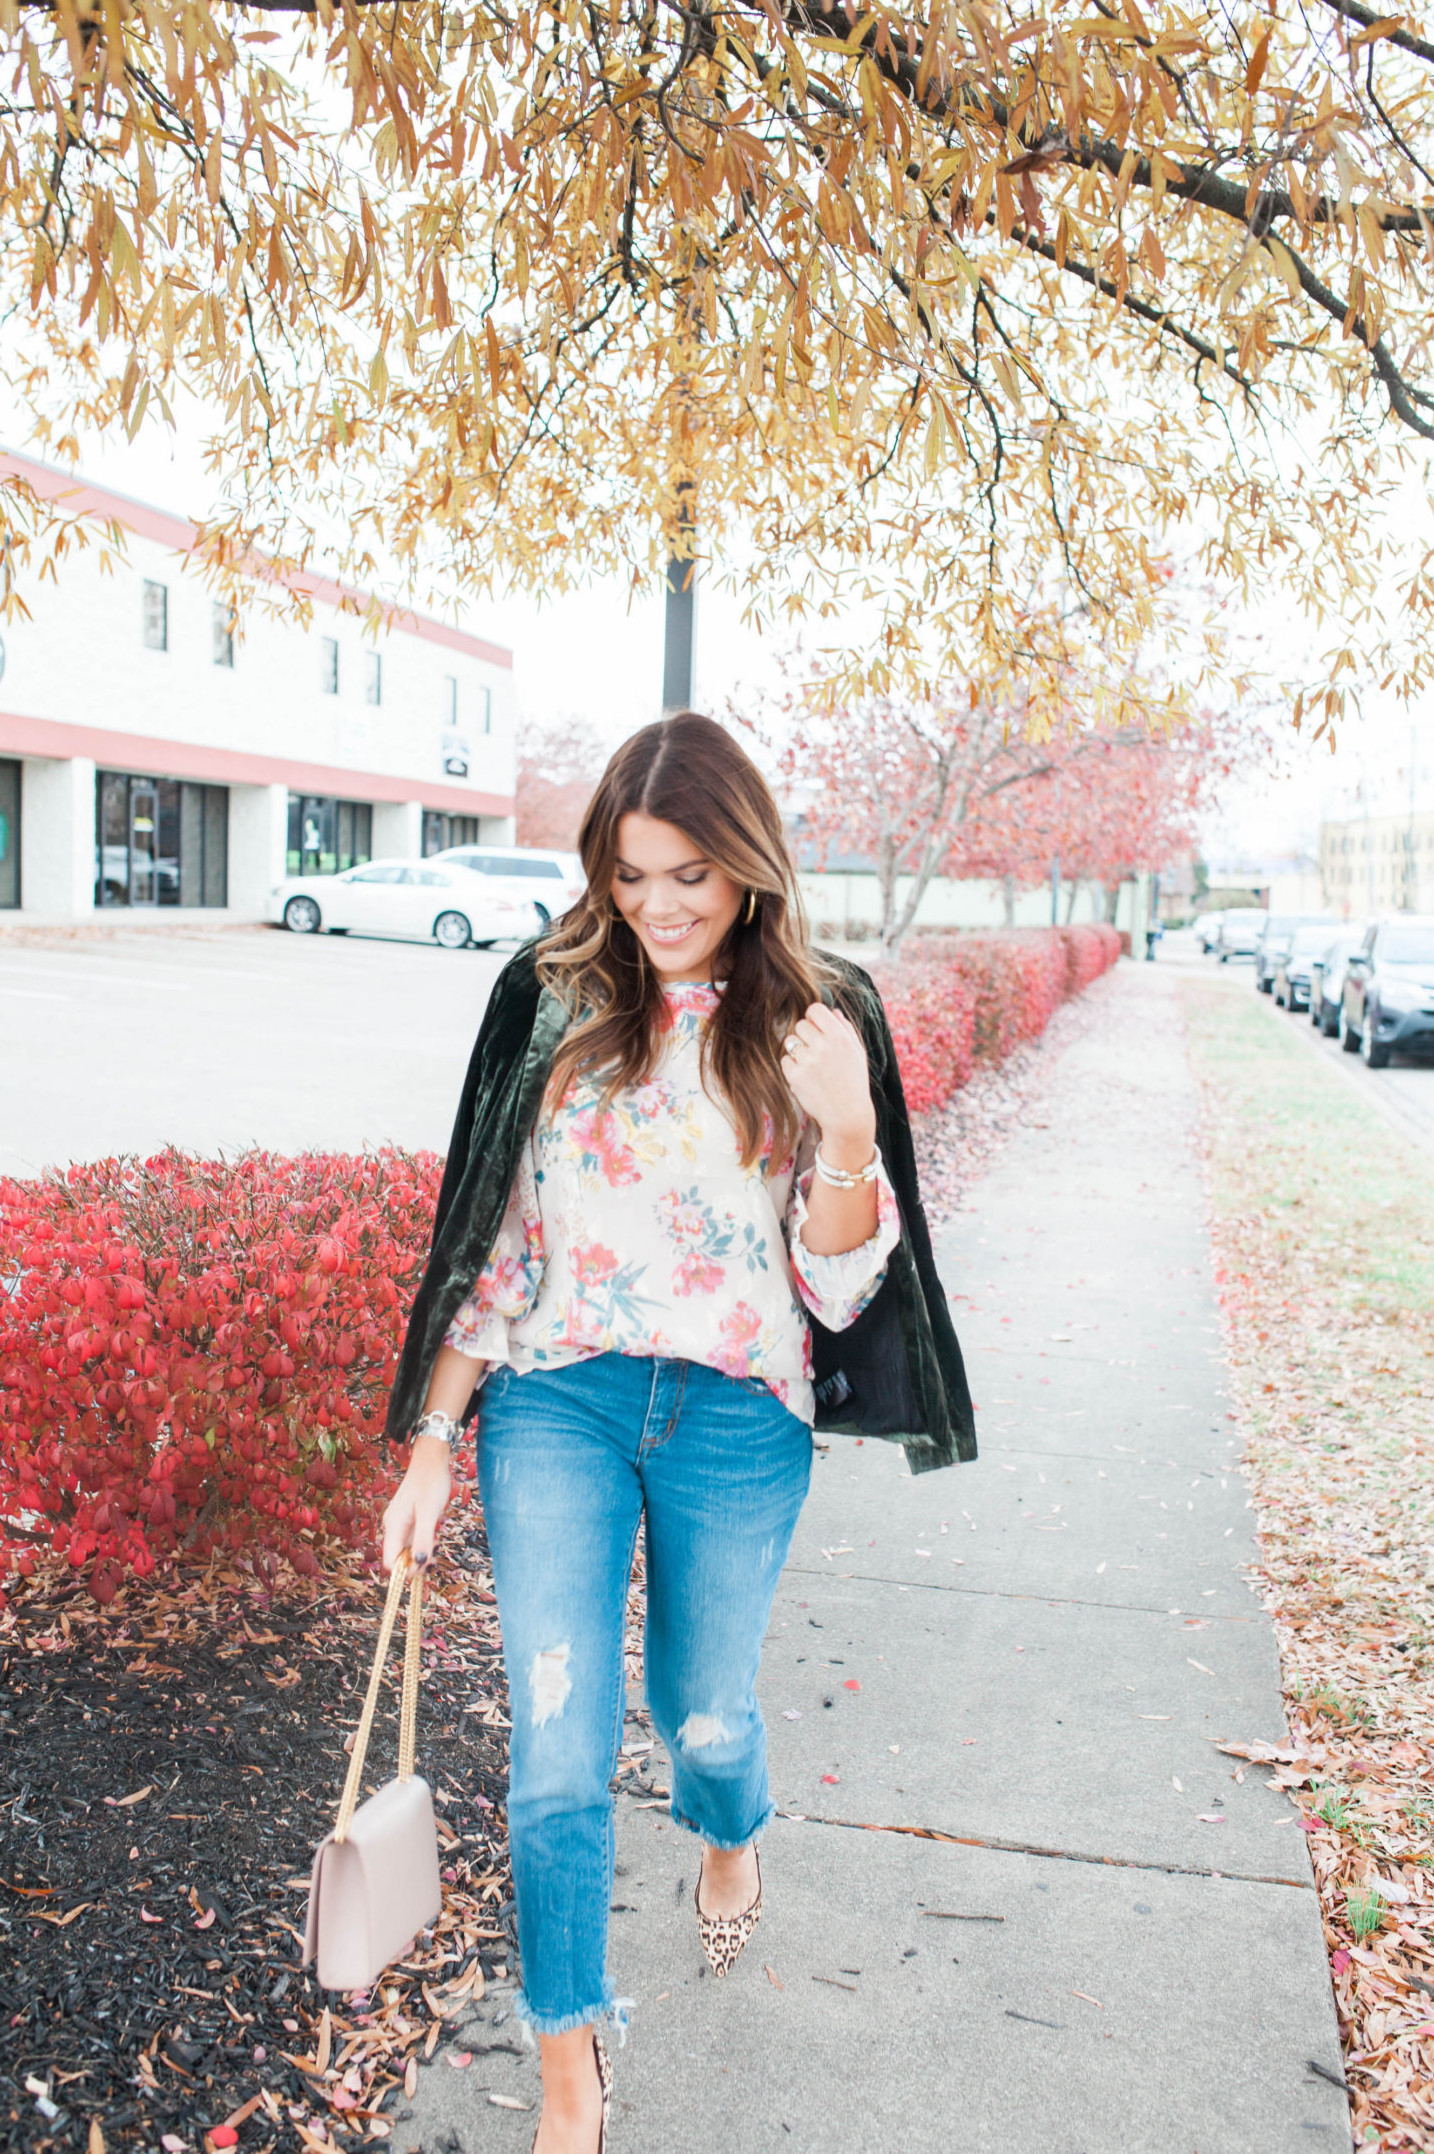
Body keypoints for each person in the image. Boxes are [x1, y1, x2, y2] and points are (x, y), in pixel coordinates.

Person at [381, 713, 974, 2154]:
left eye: (690, 875)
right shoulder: (554, 995)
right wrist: (432, 1444)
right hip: (558, 1404)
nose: (658, 905)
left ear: (750, 868)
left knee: (701, 1713)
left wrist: (844, 1134)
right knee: (557, 1744)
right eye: (633, 872)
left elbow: (837, 1281)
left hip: (733, 1414)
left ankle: (728, 1828)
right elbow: (500, 1242)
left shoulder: (821, 1018)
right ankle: (574, 2060)